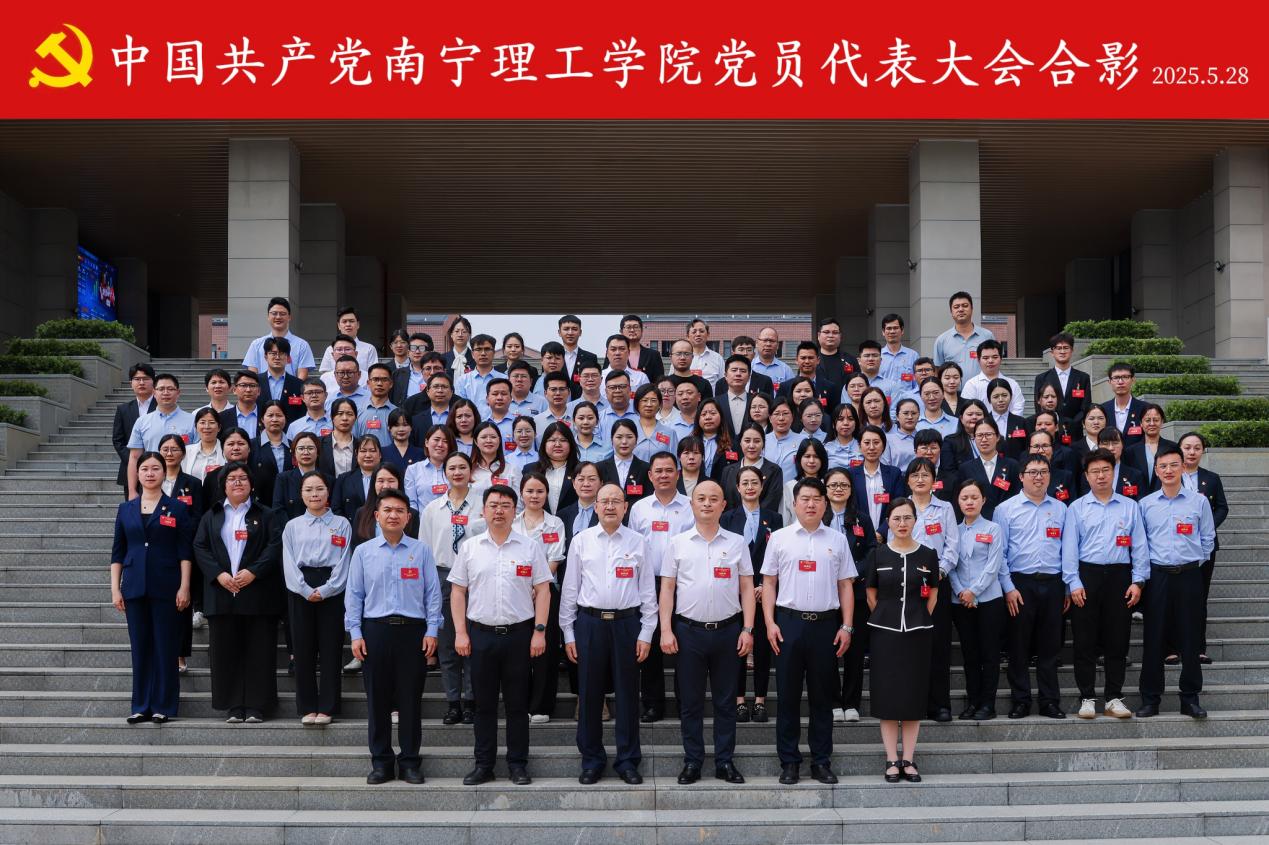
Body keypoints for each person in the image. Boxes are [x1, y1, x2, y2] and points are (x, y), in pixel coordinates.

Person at [449, 484, 552, 786]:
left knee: (518, 706)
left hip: (519, 636)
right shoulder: (470, 547)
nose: (499, 511)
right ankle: (484, 765)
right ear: (483, 511)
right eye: (493, 505)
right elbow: (457, 591)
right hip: (480, 636)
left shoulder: (529, 547)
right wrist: (460, 633)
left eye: (505, 505)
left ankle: (518, 764)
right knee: (483, 705)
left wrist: (540, 632)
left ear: (514, 511)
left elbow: (543, 590)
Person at [559, 483, 657, 785]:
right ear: (596, 506)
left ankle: (627, 760)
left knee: (628, 695)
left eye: (617, 501)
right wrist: (568, 632)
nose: (610, 506)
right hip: (590, 624)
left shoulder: (639, 542)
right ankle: (591, 760)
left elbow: (647, 590)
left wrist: (647, 631)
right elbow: (570, 589)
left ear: (626, 507)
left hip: (627, 625)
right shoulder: (581, 540)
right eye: (605, 501)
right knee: (589, 694)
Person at [344, 488, 442, 784]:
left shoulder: (421, 551)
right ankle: (381, 762)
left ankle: (410, 761)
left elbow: (432, 594)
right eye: (387, 510)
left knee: (410, 700)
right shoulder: (363, 552)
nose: (393, 515)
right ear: (376, 515)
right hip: (376, 631)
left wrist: (432, 630)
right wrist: (355, 633)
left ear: (408, 517)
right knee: (377, 701)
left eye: (399, 511)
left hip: (413, 632)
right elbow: (354, 595)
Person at [762, 478, 856, 785]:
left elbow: (845, 585)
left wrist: (846, 625)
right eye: (805, 499)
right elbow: (769, 583)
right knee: (787, 697)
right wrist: (770, 623)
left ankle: (821, 761)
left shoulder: (837, 540)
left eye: (817, 498)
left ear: (825, 503)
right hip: (788, 624)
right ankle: (789, 761)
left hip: (826, 626)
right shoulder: (779, 538)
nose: (811, 504)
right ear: (794, 504)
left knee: (822, 699)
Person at [660, 480, 755, 784]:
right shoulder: (678, 543)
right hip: (688, 632)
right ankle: (693, 761)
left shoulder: (737, 542)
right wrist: (665, 630)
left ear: (723, 505)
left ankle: (725, 762)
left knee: (726, 703)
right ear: (692, 504)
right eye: (701, 498)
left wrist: (748, 629)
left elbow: (746, 587)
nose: (707, 504)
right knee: (690, 703)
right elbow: (667, 588)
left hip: (728, 632)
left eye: (714, 499)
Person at [192, 462, 285, 723]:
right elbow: (200, 547)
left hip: (257, 592)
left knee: (260, 651)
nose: (237, 482)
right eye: (231, 478)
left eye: (243, 478)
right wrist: (219, 575)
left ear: (251, 485)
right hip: (222, 593)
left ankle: (257, 705)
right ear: (223, 485)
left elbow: (275, 545)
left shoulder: (266, 514)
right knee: (226, 652)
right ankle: (233, 705)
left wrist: (254, 571)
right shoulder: (211, 515)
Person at [1062, 448, 1149, 720]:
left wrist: (1138, 581)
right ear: (1086, 476)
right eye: (1095, 472)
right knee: (1084, 640)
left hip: (1120, 577)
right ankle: (1087, 697)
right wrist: (1073, 582)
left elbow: (1140, 547)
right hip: (1086, 577)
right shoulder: (1076, 508)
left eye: (1105, 470)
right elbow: (1069, 549)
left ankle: (1113, 697)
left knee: (1117, 639)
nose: (1100, 476)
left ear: (1114, 472)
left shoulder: (1130, 506)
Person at [110, 451, 193, 723]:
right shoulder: (126, 509)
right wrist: (115, 589)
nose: (149, 473)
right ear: (137, 473)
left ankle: (163, 706)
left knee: (165, 646)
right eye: (144, 468)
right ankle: (140, 705)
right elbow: (118, 552)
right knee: (140, 647)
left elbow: (184, 552)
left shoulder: (177, 508)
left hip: (167, 585)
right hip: (134, 586)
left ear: (164, 473)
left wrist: (184, 586)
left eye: (155, 468)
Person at [1136, 447, 1217, 719]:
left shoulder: (1198, 502)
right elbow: (1141, 544)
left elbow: (1208, 539)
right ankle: (1150, 699)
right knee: (1154, 638)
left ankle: (1190, 698)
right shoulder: (1145, 504)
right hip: (1157, 577)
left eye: (1173, 465)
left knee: (1190, 638)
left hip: (1189, 576)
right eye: (1163, 466)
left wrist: (1193, 563)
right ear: (1156, 471)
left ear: (1183, 467)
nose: (1168, 470)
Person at [864, 497, 939, 783]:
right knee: (887, 695)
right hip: (884, 633)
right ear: (888, 522)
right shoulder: (878, 554)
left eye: (907, 517)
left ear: (915, 520)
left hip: (918, 633)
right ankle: (891, 759)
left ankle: (908, 758)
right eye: (896, 518)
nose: (902, 523)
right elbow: (871, 594)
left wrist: (918, 616)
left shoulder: (928, 554)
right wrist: (888, 616)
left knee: (912, 695)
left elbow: (933, 594)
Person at [995, 454, 1069, 720]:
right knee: (1019, 646)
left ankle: (1049, 701)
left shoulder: (1061, 509)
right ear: (1021, 477)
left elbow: (1067, 550)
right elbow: (1000, 553)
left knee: (1050, 647)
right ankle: (1021, 700)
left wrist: (1067, 587)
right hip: (1020, 584)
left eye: (1043, 472)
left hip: (1053, 582)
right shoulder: (1005, 509)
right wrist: (1008, 587)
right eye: (1033, 472)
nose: (1038, 477)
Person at [626, 451, 693, 723]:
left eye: (669, 470)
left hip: (684, 583)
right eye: (659, 471)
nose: (664, 475)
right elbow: (632, 547)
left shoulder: (691, 506)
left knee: (684, 643)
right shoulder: (639, 508)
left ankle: (685, 701)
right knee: (651, 644)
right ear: (650, 475)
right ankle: (652, 703)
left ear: (678, 474)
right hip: (649, 583)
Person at [281, 471, 351, 725]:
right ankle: (307, 706)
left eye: (319, 489)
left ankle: (328, 706)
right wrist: (304, 589)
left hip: (332, 588)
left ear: (328, 492)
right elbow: (288, 562)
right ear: (301, 494)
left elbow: (345, 561)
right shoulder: (292, 526)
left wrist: (328, 589)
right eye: (308, 489)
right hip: (301, 588)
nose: (314, 494)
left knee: (331, 648)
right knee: (303, 649)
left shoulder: (342, 524)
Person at [420, 451, 485, 723]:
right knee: (448, 645)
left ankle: (471, 701)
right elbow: (425, 550)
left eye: (462, 467)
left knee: (473, 643)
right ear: (444, 473)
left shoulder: (483, 502)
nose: (457, 472)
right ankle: (453, 702)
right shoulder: (432, 509)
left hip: (477, 577)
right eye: (452, 468)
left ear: (470, 471)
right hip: (443, 576)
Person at [722, 466, 782, 724]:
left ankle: (759, 701)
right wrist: (740, 585)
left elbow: (776, 556)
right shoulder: (727, 518)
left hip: (764, 591)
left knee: (763, 647)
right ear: (737, 487)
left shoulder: (774, 519)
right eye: (745, 483)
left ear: (762, 486)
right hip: (734, 592)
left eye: (754, 482)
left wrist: (762, 585)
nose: (749, 487)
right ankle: (738, 701)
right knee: (737, 646)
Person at [902, 458, 960, 723]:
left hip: (938, 584)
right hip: (907, 585)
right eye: (915, 475)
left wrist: (940, 572)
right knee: (910, 646)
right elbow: (893, 540)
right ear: (908, 480)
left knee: (938, 645)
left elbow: (952, 546)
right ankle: (912, 703)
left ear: (934, 480)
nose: (920, 479)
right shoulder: (901, 507)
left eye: (926, 475)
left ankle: (940, 704)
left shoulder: (945, 508)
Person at [949, 479, 1006, 720]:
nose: (969, 502)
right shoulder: (954, 531)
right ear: (958, 501)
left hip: (989, 599)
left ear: (983, 500)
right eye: (965, 498)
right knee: (970, 655)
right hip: (960, 601)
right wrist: (961, 592)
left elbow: (994, 566)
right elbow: (950, 564)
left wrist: (974, 591)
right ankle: (973, 702)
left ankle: (987, 705)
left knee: (989, 654)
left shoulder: (993, 529)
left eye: (974, 497)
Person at [513, 472, 568, 723]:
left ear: (547, 494)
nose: (534, 496)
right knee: (520, 649)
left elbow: (555, 557)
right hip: (516, 592)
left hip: (546, 591)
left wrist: (539, 586)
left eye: (540, 491)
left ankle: (542, 706)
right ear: (521, 494)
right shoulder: (513, 522)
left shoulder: (555, 523)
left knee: (545, 649)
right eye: (529, 491)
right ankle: (520, 703)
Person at [821, 468, 874, 723]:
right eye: (833, 485)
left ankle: (851, 702)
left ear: (851, 490)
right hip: (826, 593)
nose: (838, 489)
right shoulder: (819, 517)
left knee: (855, 649)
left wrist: (853, 573)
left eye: (844, 485)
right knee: (829, 648)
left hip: (857, 591)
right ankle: (833, 701)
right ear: (825, 489)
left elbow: (872, 551)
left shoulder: (862, 519)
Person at [1176, 432, 1229, 665]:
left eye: (1197, 448)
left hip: (1204, 546)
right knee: (1174, 598)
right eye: (1187, 447)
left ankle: (1198, 648)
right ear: (1179, 449)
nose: (1192, 452)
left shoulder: (1212, 478)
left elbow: (1222, 508)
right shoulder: (1170, 474)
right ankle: (1172, 647)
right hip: (1175, 545)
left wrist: (1206, 527)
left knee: (1199, 597)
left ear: (1203, 451)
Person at [126, 373, 195, 499]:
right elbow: (134, 457)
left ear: (178, 392)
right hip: (150, 483)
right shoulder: (142, 422)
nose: (166, 393)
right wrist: (132, 490)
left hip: (183, 483)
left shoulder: (192, 421)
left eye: (170, 389)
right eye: (161, 389)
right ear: (154, 392)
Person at [847, 426, 905, 539]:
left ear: (883, 446)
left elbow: (898, 505)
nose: (872, 447)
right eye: (867, 443)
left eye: (876, 442)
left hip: (888, 536)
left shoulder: (894, 474)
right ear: (859, 446)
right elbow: (851, 507)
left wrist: (882, 532)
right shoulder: (851, 474)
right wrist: (867, 533)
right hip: (860, 537)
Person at [958, 418, 1021, 520]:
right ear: (974, 438)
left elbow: (1017, 496)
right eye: (979, 435)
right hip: (978, 522)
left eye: (988, 434)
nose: (984, 439)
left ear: (997, 437)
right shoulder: (965, 468)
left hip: (1008, 520)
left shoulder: (1012, 465)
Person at [242, 296, 315, 379]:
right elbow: (252, 374)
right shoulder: (256, 345)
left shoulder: (302, 345)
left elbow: (302, 376)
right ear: (268, 316)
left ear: (289, 317)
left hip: (292, 387)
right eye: (274, 313)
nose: (278, 317)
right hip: (263, 387)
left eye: (282, 314)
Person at [351, 464, 422, 549]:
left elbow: (414, 547)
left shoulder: (412, 514)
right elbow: (355, 546)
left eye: (391, 481)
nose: (386, 486)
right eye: (381, 481)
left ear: (399, 483)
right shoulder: (361, 513)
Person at [720, 422, 784, 514]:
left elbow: (771, 503)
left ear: (763, 443)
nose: (751, 446)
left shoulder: (774, 470)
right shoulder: (728, 471)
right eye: (747, 441)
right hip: (731, 521)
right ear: (740, 442)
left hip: (762, 521)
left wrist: (750, 517)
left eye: (757, 441)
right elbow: (724, 502)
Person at [113, 363, 156, 494]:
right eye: (137, 379)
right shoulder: (123, 409)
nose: (141, 382)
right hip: (130, 471)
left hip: (158, 469)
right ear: (131, 383)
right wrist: (135, 462)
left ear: (154, 382)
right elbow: (118, 440)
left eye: (146, 378)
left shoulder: (162, 407)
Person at [932, 291, 994, 380]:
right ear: (951, 312)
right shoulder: (942, 340)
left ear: (972, 309)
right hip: (953, 389)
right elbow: (938, 371)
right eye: (956, 307)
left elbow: (994, 365)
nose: (961, 309)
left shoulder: (987, 336)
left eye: (965, 306)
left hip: (982, 388)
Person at [1035, 332, 1091, 429]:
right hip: (1051, 430)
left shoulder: (1083, 377)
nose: (1062, 351)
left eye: (1066, 348)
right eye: (1058, 348)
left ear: (1072, 350)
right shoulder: (1041, 378)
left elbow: (1086, 406)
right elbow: (1038, 406)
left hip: (1075, 429)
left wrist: (1073, 423)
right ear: (1052, 352)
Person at [403, 425, 456, 515]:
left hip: (450, 521)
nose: (440, 444)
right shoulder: (413, 470)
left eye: (445, 441)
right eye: (436, 440)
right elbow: (412, 503)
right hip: (423, 521)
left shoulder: (456, 469)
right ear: (426, 442)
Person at [598, 419, 651, 508]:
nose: (624, 442)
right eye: (619, 437)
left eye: (629, 437)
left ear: (636, 440)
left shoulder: (646, 468)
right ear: (611, 440)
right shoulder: (600, 468)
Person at [531, 421, 581, 515]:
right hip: (539, 521)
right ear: (544, 444)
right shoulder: (531, 470)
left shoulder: (580, 470)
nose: (557, 444)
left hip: (571, 521)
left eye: (563, 440)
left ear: (571, 444)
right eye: (552, 440)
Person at [1125, 403, 1176, 489]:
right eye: (1147, 420)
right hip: (1139, 495)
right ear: (1141, 423)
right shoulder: (1131, 451)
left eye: (1156, 420)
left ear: (1162, 422)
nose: (1152, 424)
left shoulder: (1172, 447)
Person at [780, 438, 829, 526]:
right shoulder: (789, 486)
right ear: (799, 459)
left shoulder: (829, 485)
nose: (811, 461)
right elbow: (785, 519)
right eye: (807, 456)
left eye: (816, 457)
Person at [1100, 362, 1149, 448]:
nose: (1120, 382)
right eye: (1116, 378)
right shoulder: (1103, 409)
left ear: (1133, 380)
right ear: (1109, 382)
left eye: (1125, 377)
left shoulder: (1145, 408)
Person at [257, 337, 307, 423]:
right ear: (265, 356)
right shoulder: (255, 382)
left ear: (288, 358)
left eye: (281, 353)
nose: (277, 357)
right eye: (273, 353)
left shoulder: (298, 384)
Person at [332, 436, 382, 519]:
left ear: (380, 454)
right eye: (363, 451)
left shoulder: (388, 478)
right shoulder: (344, 479)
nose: (368, 455)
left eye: (372, 451)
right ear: (356, 454)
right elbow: (336, 509)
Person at [318, 307, 378, 374]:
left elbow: (374, 373)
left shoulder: (369, 349)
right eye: (344, 321)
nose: (348, 324)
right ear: (339, 326)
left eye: (351, 321)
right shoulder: (330, 349)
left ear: (358, 325)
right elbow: (325, 373)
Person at [984, 378, 1030, 462]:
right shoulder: (984, 422)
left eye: (1004, 395)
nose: (1001, 400)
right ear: (989, 400)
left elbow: (1026, 448)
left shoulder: (1021, 422)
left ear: (1011, 397)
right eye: (996, 397)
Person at [352, 363, 398, 447]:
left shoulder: (397, 412)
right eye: (375, 379)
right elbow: (353, 439)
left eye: (384, 380)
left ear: (391, 384)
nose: (379, 383)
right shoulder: (357, 411)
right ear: (368, 383)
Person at [693, 397, 738, 481]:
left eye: (713, 413)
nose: (708, 417)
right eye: (703, 414)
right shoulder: (691, 444)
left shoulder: (732, 445)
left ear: (721, 416)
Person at [632, 384, 677, 462]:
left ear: (660, 404)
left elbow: (675, 463)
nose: (649, 404)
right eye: (645, 400)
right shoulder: (629, 431)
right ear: (637, 404)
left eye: (653, 400)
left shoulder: (669, 433)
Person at [813, 318, 860, 391]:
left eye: (835, 332)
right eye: (826, 332)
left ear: (840, 336)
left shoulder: (850, 360)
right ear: (819, 335)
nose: (830, 336)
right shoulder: (811, 360)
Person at [391, 332, 438, 405]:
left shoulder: (437, 374)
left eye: (422, 348)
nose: (417, 351)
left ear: (430, 352)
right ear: (408, 352)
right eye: (413, 348)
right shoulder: (397, 375)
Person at [217, 370, 263, 440]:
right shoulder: (222, 418)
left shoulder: (266, 415)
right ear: (234, 390)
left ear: (259, 391)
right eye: (243, 385)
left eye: (252, 385)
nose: (248, 390)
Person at [618, 314, 665, 382]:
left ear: (642, 331)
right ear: (621, 332)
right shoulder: (614, 354)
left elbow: (660, 381)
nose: (632, 330)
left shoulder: (653, 355)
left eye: (636, 327)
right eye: (628, 327)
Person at [182, 407, 225, 482]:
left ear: (219, 427)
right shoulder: (187, 451)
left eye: (211, 422)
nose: (207, 427)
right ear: (196, 427)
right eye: (202, 422)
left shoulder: (226, 451)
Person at [557, 314, 599, 383]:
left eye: (574, 329)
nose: (570, 333)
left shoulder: (590, 358)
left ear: (580, 332)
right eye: (566, 329)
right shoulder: (553, 358)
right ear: (559, 332)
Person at [686, 318, 726, 383]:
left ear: (708, 335)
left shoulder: (718, 358)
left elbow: (723, 384)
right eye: (694, 332)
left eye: (701, 331)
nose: (698, 334)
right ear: (687, 336)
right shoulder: (680, 358)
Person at [826, 403, 863, 470]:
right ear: (833, 424)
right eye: (840, 419)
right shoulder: (826, 448)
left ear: (856, 423)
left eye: (850, 419)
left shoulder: (863, 446)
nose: (846, 423)